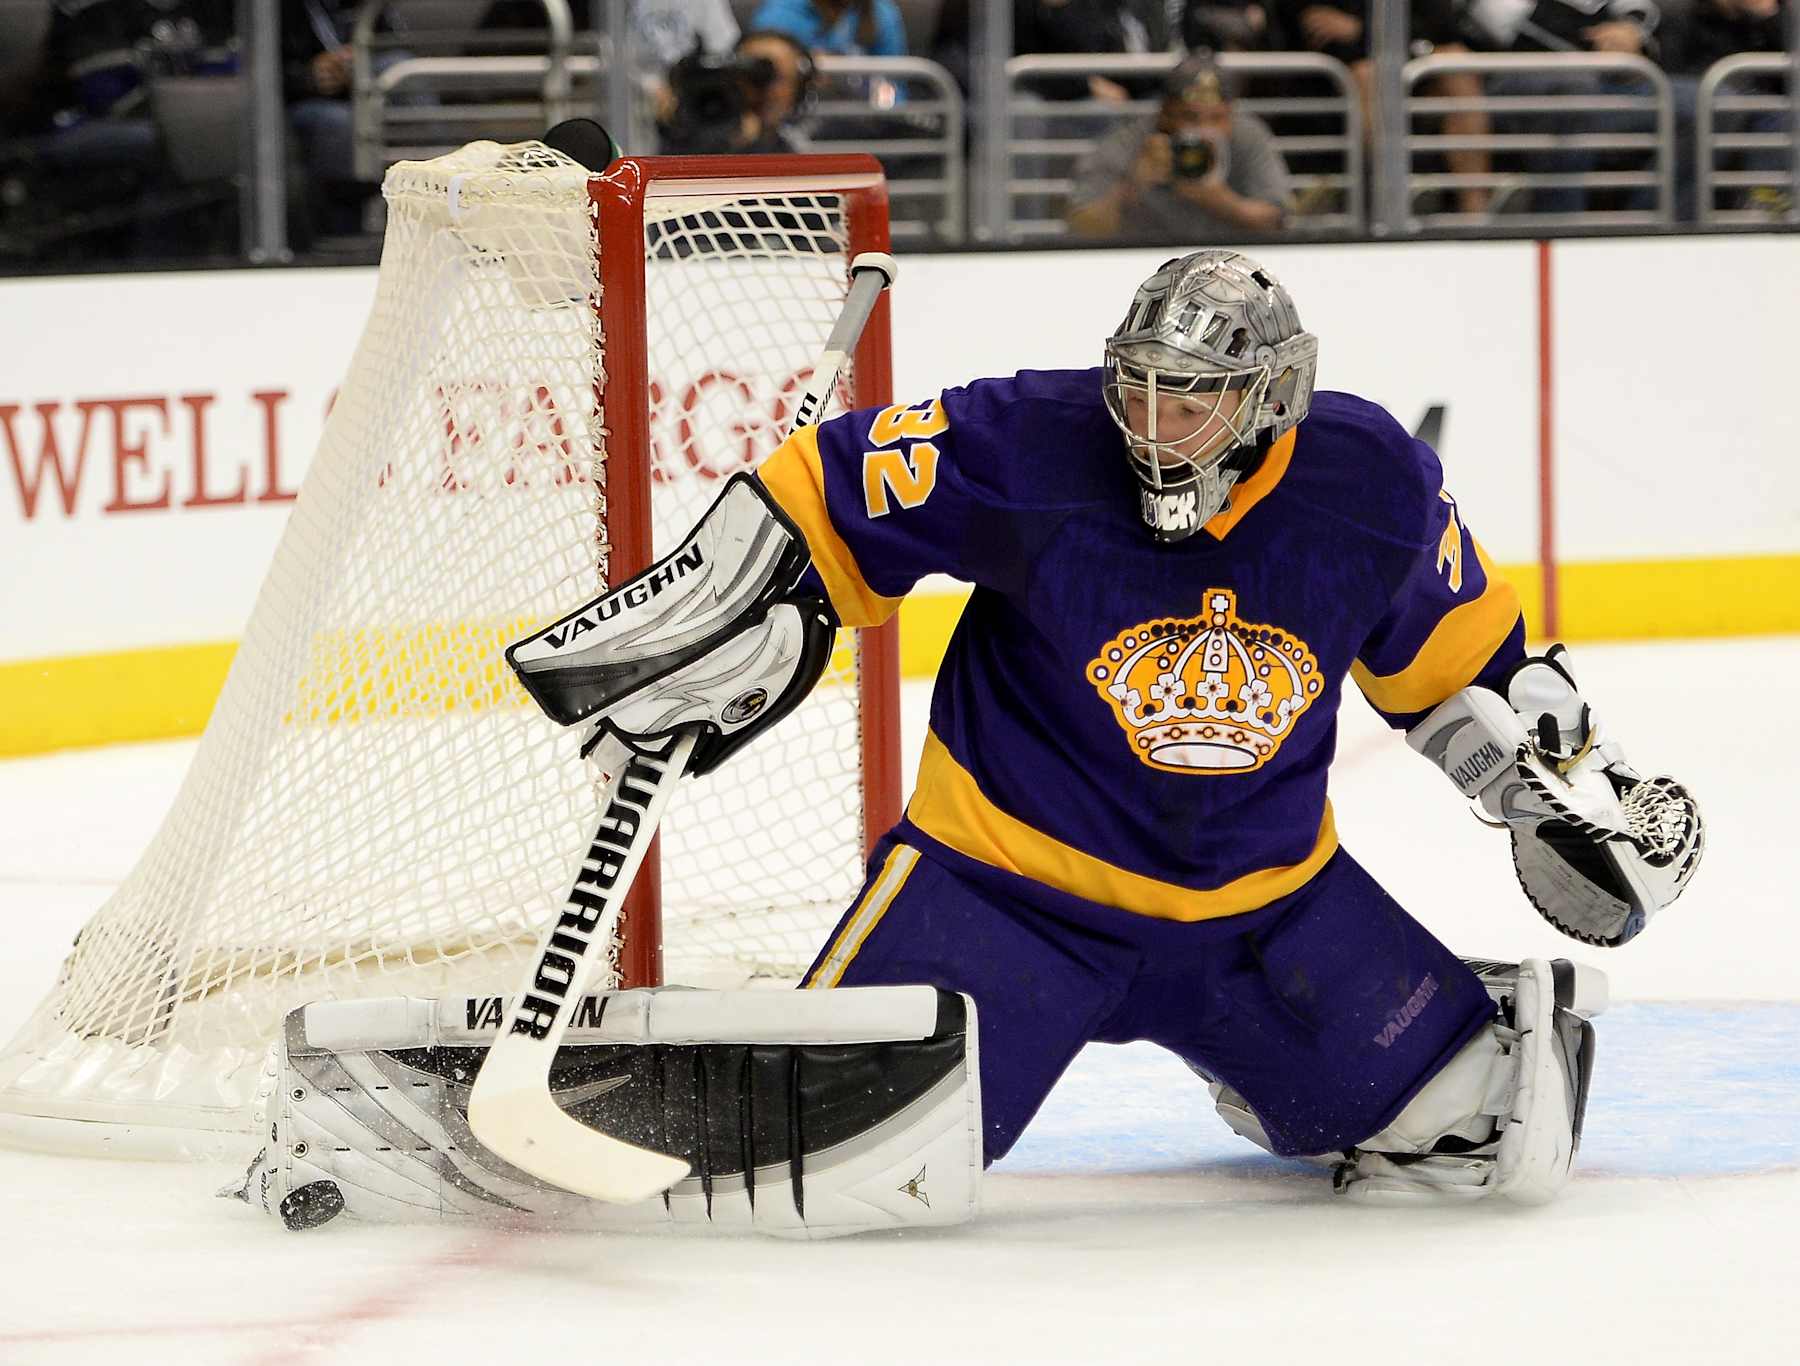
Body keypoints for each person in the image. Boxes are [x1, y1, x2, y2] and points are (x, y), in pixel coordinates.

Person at [748, 249, 1703, 1199]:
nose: (1154, 429)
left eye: (1191, 401)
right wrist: (737, 614)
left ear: (1272, 397)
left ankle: (1286, 1057)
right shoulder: (1031, 439)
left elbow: (1466, 672)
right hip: (1008, 900)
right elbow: (813, 505)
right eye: (1140, 392)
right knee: (819, 1157)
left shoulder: (1368, 481)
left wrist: (1551, 794)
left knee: (1474, 1122)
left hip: (1266, 922)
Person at [1065, 54, 1293, 239]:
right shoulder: (1131, 140)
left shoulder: (1247, 136)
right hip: (1145, 259)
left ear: (1231, 114)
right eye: (1190, 117)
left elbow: (1278, 221)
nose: (1204, 130)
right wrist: (1132, 187)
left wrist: (1222, 202)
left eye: (1216, 118)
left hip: (1229, 262)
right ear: (1164, 114)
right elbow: (1081, 229)